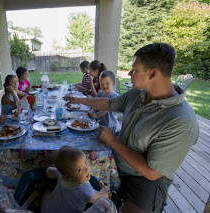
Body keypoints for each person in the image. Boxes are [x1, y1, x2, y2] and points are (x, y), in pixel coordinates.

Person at [64, 43, 199, 213]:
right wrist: (78, 100)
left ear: (153, 73)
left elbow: (152, 172)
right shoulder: (139, 94)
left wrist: (113, 141)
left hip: (144, 180)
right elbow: (109, 103)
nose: (129, 74)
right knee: (69, 172)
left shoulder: (181, 121)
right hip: (117, 160)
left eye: (134, 69)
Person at [41, 145, 117, 213]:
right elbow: (103, 197)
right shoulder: (84, 189)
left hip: (47, 209)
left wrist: (54, 167)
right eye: (79, 170)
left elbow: (48, 172)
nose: (86, 169)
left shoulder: (63, 174)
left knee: (47, 190)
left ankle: (38, 203)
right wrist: (103, 186)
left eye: (85, 162)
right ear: (67, 176)